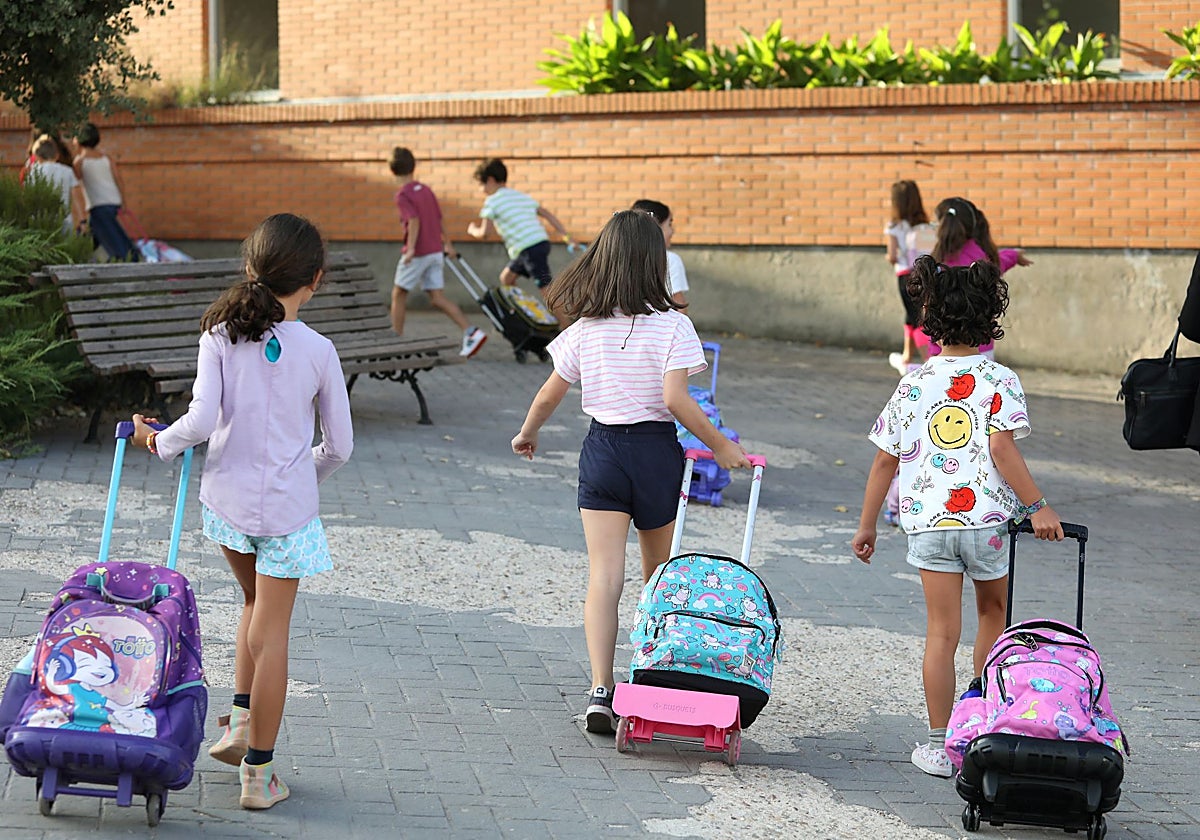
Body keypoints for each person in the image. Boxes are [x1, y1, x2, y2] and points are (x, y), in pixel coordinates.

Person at [130, 213, 353, 809]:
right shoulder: (320, 350)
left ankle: (235, 722)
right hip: (289, 513)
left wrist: (158, 441)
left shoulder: (220, 334)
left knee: (252, 605)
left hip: (226, 503)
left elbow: (202, 420)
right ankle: (258, 774)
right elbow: (340, 446)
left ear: (250, 267)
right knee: (272, 627)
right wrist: (305, 477)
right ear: (316, 279)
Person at [511, 210, 751, 734]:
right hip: (654, 453)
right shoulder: (674, 325)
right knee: (656, 575)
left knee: (604, 576)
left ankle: (601, 688)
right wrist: (720, 447)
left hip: (602, 451)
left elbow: (551, 391)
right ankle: (651, 676)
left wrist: (529, 432)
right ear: (656, 263)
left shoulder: (586, 328)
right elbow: (675, 399)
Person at [850, 255, 1063, 778]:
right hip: (987, 523)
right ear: (990, 316)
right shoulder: (1000, 378)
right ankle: (987, 727)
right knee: (994, 615)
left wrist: (867, 524)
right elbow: (1004, 452)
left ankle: (939, 745)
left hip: (928, 525)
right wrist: (1039, 507)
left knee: (941, 634)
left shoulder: (914, 383)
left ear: (931, 319)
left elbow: (884, 459)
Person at [387, 147, 487, 357]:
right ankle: (471, 331)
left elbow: (414, 220)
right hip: (435, 251)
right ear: (413, 166)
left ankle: (395, 339)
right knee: (436, 297)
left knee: (399, 293)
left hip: (419, 252)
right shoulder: (426, 190)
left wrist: (411, 249)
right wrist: (448, 244)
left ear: (392, 170)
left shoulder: (403, 195)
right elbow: (438, 219)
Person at [931, 197, 1032, 359]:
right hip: (980, 347)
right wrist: (1013, 255)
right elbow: (998, 265)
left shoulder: (936, 260)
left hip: (942, 348)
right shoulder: (980, 256)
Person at [466, 158, 577, 295]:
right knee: (507, 278)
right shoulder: (520, 196)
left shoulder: (492, 201)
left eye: (480, 184)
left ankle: (563, 317)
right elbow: (548, 215)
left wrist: (472, 230)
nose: (480, 189)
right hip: (539, 243)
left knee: (546, 288)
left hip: (528, 248)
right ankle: (526, 311)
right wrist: (567, 237)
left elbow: (485, 233)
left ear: (490, 180)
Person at [885, 180, 937, 374]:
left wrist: (893, 257)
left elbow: (892, 256)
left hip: (905, 275)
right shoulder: (924, 225)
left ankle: (928, 361)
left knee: (916, 319)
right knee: (914, 314)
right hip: (924, 273)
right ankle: (907, 356)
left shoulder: (894, 226)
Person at [70, 122, 139, 262]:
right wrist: (123, 201)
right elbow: (118, 179)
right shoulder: (106, 158)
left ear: (79, 140)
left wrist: (79, 212)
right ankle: (77, 257)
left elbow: (75, 185)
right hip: (113, 202)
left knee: (112, 239)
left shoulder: (79, 162)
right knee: (93, 235)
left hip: (98, 205)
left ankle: (128, 260)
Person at [631, 199, 689, 309]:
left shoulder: (619, 257)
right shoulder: (670, 259)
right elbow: (679, 304)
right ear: (655, 226)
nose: (672, 231)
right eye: (670, 224)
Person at [26, 134, 86, 236]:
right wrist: (82, 221)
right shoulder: (67, 171)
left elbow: (29, 198)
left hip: (40, 220)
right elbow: (77, 197)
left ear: (37, 156)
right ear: (57, 155)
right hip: (64, 219)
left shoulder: (34, 172)